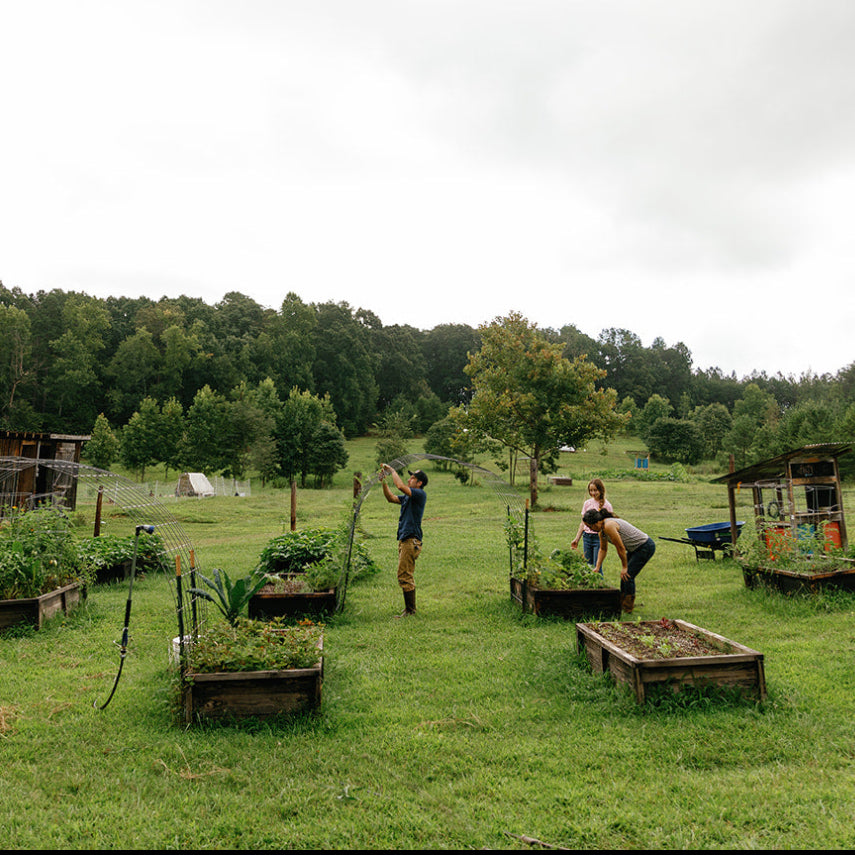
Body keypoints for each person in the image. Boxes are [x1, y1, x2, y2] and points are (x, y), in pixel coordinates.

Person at [582, 508, 655, 613]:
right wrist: (597, 567)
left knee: (628, 575)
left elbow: (620, 548)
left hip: (645, 546)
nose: (591, 529)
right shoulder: (601, 531)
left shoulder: (609, 526)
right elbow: (603, 549)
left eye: (591, 526)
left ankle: (628, 607)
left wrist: (625, 567)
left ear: (597, 522)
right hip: (635, 549)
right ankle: (620, 603)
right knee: (624, 577)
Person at [381, 464, 428, 617]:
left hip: (411, 541)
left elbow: (400, 486)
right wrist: (384, 481)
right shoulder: (409, 497)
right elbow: (390, 498)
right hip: (405, 540)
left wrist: (392, 471)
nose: (409, 479)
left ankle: (410, 611)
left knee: (404, 575)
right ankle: (409, 610)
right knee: (404, 574)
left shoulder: (420, 494)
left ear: (419, 483)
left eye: (412, 478)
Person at [571, 479, 613, 572]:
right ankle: (589, 586)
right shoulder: (587, 503)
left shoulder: (607, 505)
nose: (593, 493)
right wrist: (577, 539)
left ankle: (599, 585)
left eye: (595, 490)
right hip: (587, 537)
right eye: (591, 490)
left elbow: (609, 524)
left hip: (599, 538)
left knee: (597, 567)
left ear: (601, 490)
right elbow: (582, 523)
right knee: (587, 566)